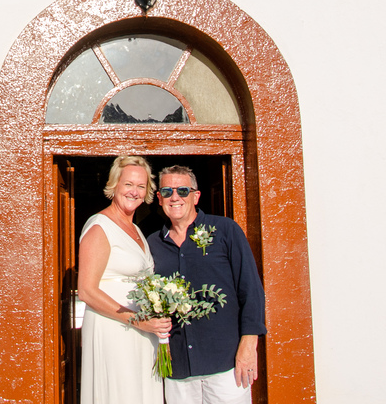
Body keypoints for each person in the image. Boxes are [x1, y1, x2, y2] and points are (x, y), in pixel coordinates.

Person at [148, 165, 266, 404]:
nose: (175, 197)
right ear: (159, 198)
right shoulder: (152, 243)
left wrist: (249, 344)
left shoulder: (225, 230)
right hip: (178, 367)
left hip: (226, 363)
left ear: (196, 195)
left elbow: (251, 290)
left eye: (182, 190)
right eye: (168, 191)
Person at [77, 155, 172, 404]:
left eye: (141, 186)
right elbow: (86, 291)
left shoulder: (136, 229)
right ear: (115, 185)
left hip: (142, 332)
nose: (134, 192)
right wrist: (138, 322)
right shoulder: (100, 227)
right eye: (128, 184)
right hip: (113, 329)